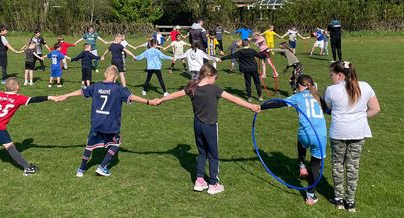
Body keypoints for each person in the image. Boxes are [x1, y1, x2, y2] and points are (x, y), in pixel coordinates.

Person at [155, 64, 260, 195]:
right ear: (208, 76)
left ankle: (199, 181)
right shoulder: (214, 89)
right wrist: (250, 106)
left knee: (202, 152)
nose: (215, 81)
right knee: (213, 155)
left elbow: (176, 94)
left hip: (197, 125)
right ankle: (213, 184)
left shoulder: (192, 87)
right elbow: (233, 98)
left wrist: (162, 99)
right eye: (215, 78)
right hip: (210, 126)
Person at [57, 65, 155, 177]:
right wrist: (148, 101)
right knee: (116, 143)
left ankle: (81, 169)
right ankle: (102, 167)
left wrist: (66, 95)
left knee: (89, 146)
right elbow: (133, 97)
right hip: (111, 125)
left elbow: (80, 92)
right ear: (116, 76)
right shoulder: (119, 89)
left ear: (105, 74)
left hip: (96, 123)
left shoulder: (96, 86)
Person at [260, 75, 327, 205]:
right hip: (320, 135)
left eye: (297, 87)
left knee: (302, 139)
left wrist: (261, 107)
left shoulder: (298, 96)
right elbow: (329, 110)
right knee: (315, 165)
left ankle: (302, 165)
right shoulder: (318, 97)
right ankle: (310, 196)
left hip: (305, 135)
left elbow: (280, 102)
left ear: (300, 86)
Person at [324, 61, 380, 212]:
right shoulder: (366, 86)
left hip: (338, 133)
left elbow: (329, 107)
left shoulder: (331, 90)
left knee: (337, 165)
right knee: (353, 166)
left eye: (332, 74)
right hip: (359, 132)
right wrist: (361, 117)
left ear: (340, 75)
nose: (331, 77)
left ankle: (338, 200)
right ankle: (350, 202)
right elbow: (375, 109)